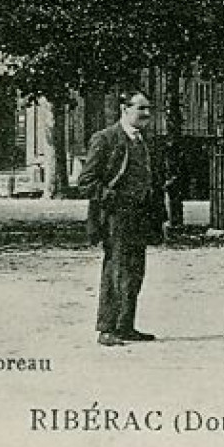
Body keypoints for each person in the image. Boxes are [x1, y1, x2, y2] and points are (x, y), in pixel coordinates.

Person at [77, 90, 169, 348]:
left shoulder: (145, 142)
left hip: (141, 216)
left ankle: (125, 326)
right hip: (115, 217)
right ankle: (106, 329)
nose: (147, 114)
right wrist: (113, 199)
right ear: (124, 110)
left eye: (149, 109)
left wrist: (158, 214)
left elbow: (153, 180)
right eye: (141, 109)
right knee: (116, 270)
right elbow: (86, 182)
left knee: (135, 272)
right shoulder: (105, 139)